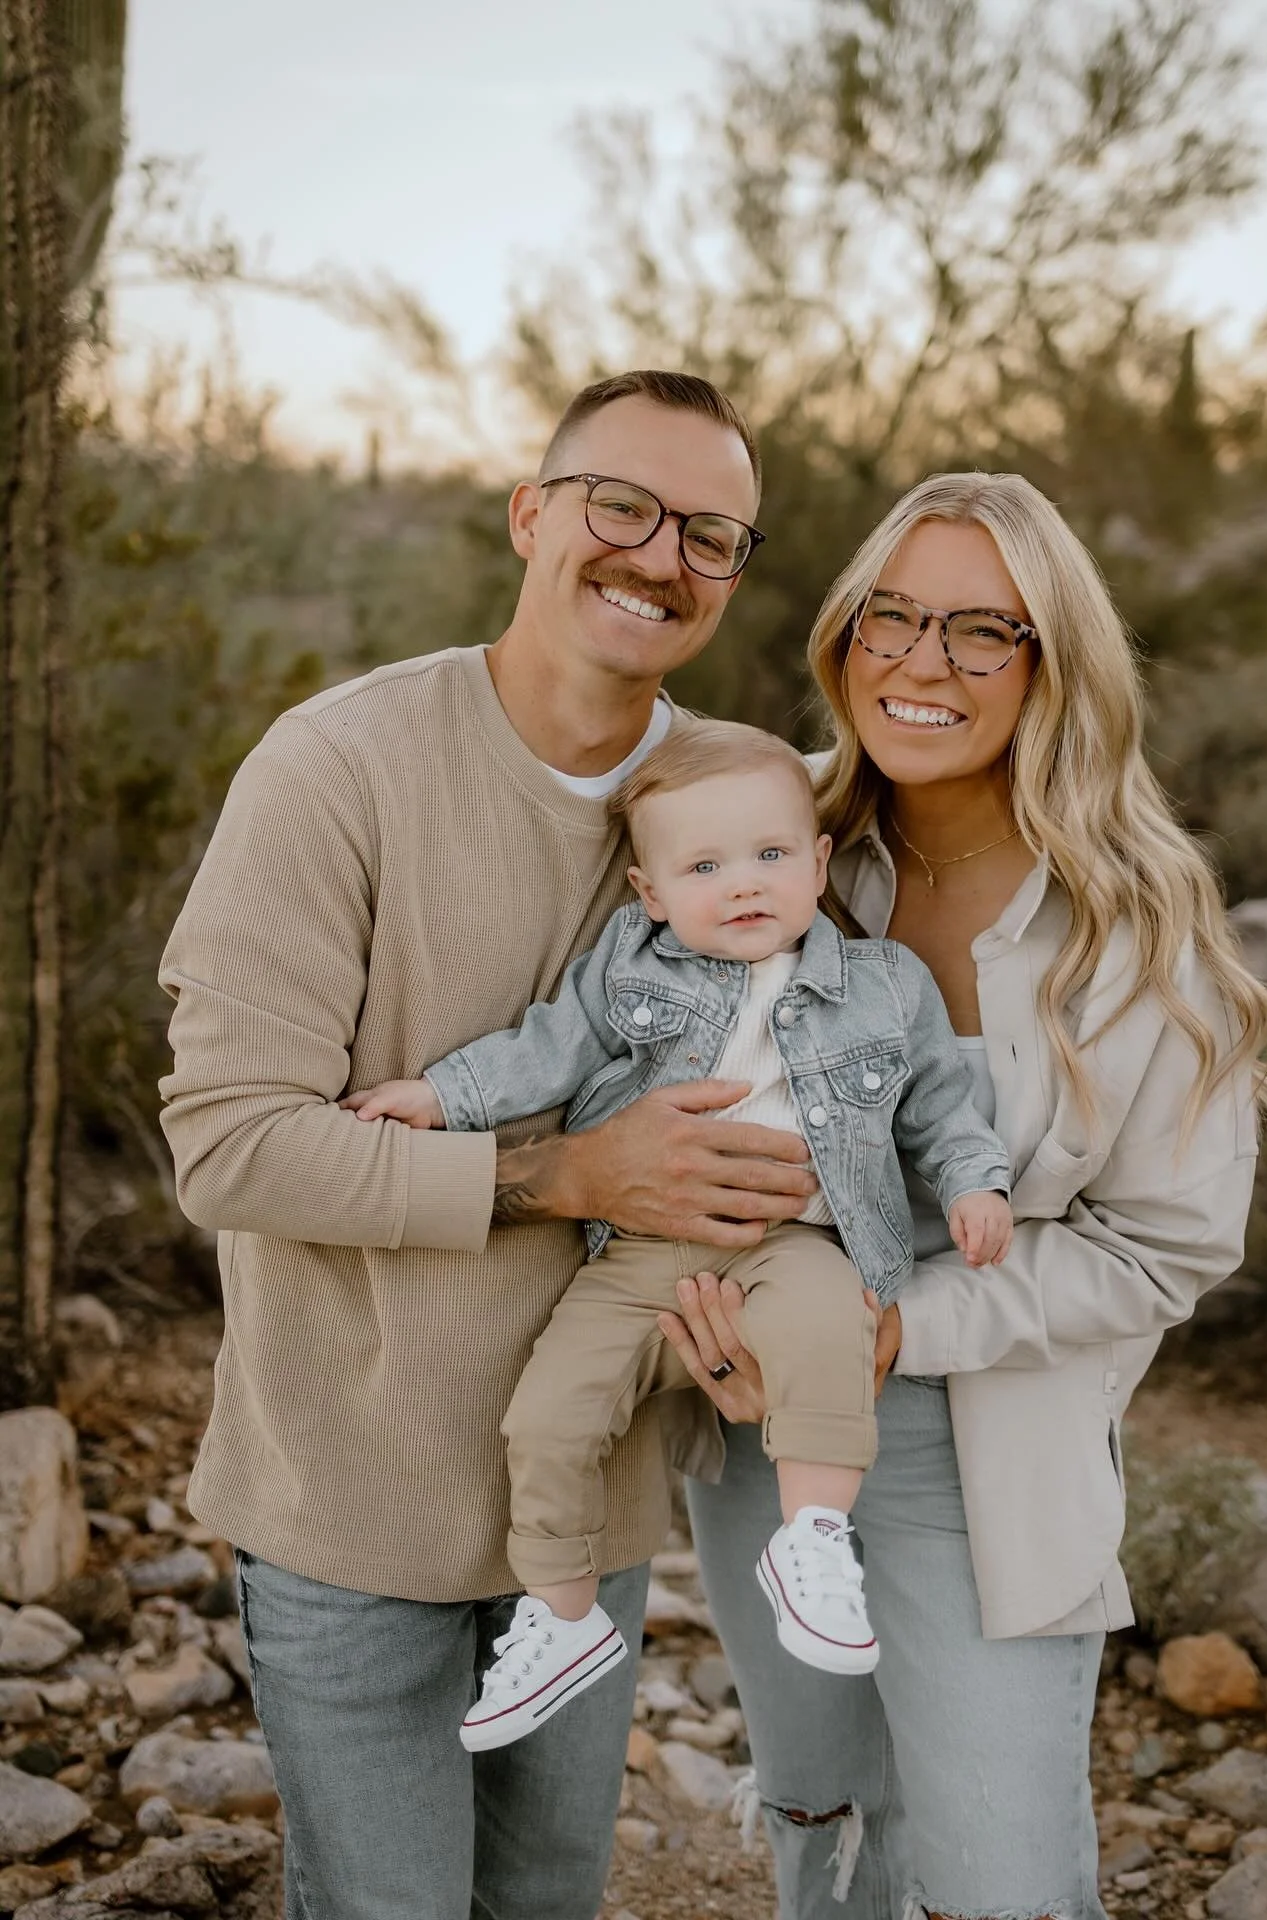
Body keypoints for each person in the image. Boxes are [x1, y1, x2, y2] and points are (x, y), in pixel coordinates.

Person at [156, 371, 827, 1920]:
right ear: (534, 514)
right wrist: (562, 1179)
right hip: (352, 1492)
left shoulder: (738, 799)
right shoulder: (338, 767)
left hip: (584, 1511)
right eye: (625, 507)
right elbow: (231, 1149)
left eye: (710, 534)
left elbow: (835, 1065)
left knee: (542, 1907)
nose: (660, 556)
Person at [658, 472, 1267, 1920]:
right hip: (764, 1432)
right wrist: (683, 1301)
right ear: (843, 636)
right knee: (819, 1821)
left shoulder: (1138, 938)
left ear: (1051, 665)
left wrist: (901, 1329)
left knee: (999, 1878)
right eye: (890, 614)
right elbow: (646, 1105)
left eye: (980, 632)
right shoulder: (773, 863)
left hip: (990, 1455)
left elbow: (1161, 1250)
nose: (920, 662)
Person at [345, 719, 1013, 1748]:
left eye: (770, 856)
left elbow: (940, 1112)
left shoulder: (886, 986)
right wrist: (443, 1097)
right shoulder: (631, 964)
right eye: (703, 866)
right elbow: (551, 1049)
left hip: (799, 1240)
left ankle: (816, 1538)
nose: (743, 884)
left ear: (819, 860)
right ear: (651, 894)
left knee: (833, 1334)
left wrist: (976, 1186)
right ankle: (563, 1615)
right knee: (550, 1414)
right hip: (646, 1251)